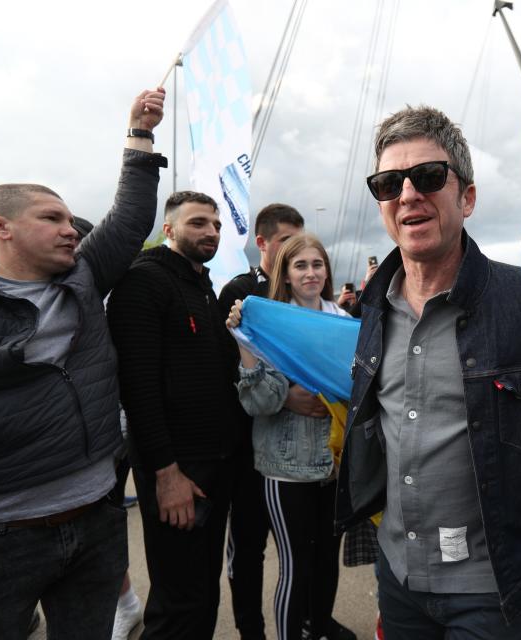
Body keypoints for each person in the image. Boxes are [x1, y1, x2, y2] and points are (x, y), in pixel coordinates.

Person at [335, 105, 521, 640]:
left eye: (429, 177)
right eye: (390, 184)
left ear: (468, 197)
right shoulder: (372, 307)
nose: (408, 193)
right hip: (399, 578)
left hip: (496, 589)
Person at [0, 87, 166, 639]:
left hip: (96, 523)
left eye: (71, 220)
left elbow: (129, 217)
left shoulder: (84, 277)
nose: (70, 229)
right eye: (51, 218)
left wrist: (139, 130)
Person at [107, 190, 246, 639]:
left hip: (214, 465)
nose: (211, 232)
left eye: (216, 224)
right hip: (175, 471)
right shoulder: (144, 282)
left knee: (203, 594)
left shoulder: (202, 285)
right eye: (198, 223)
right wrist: (166, 474)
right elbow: (139, 390)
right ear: (168, 230)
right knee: (177, 602)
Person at [227, 233, 355, 640]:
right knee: (297, 565)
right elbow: (258, 403)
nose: (311, 273)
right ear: (285, 273)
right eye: (300, 265)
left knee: (326, 564)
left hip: (334, 466)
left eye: (317, 264)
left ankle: (317, 630)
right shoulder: (269, 324)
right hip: (287, 468)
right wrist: (245, 342)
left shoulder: (343, 322)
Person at [218, 202, 305, 640]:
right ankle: (250, 629)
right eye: (287, 241)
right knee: (248, 549)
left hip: (301, 452)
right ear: (263, 242)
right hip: (250, 450)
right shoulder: (238, 291)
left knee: (304, 551)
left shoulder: (302, 292)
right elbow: (224, 368)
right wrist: (287, 398)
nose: (296, 252)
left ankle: (311, 621)